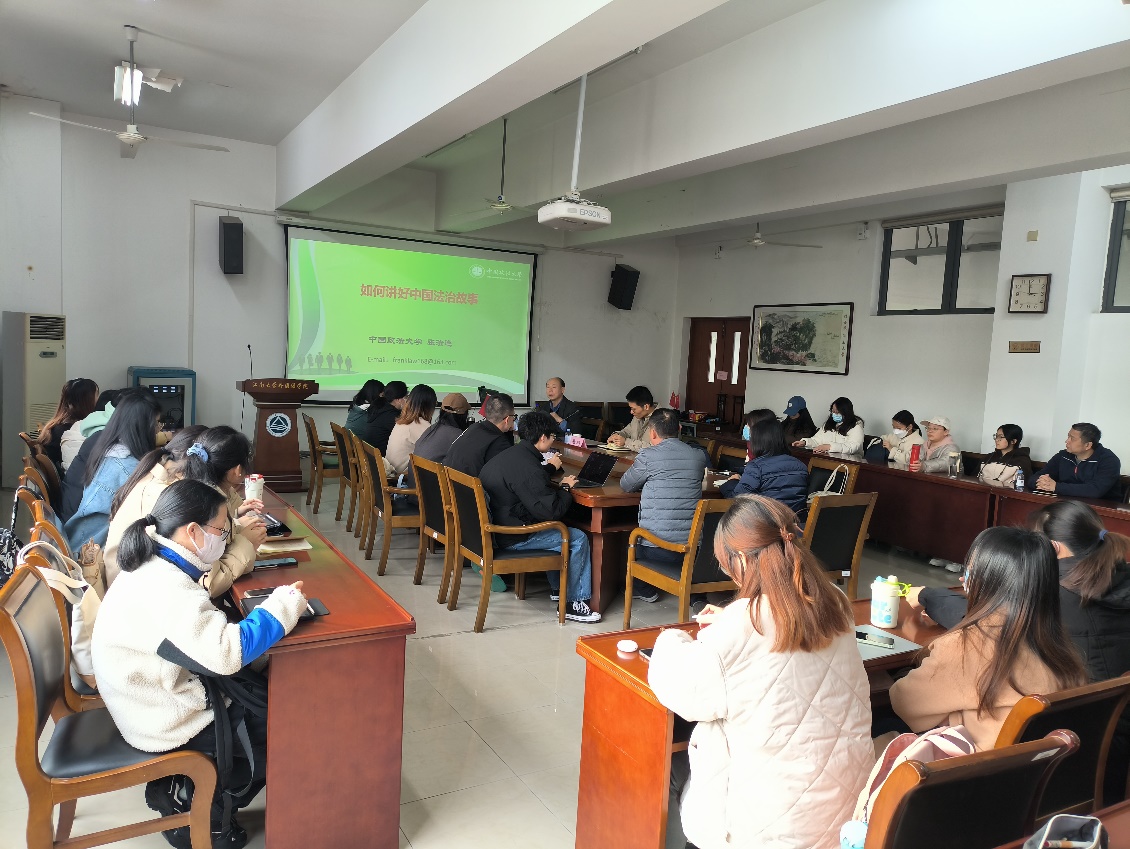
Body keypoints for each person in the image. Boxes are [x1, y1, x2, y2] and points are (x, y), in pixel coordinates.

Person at [92, 479, 308, 848]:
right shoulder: (165, 585)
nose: (225, 539)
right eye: (222, 530)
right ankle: (204, 810)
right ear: (193, 531)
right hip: (159, 716)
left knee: (263, 686)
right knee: (286, 724)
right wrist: (282, 605)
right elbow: (226, 653)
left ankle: (183, 790)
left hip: (148, 696)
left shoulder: (154, 563)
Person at [648, 495, 873, 849]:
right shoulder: (835, 600)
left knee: (671, 767)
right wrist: (730, 621)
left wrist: (670, 638)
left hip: (772, 828)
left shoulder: (744, 622)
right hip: (848, 811)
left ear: (741, 559)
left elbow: (683, 689)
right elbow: (782, 628)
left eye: (727, 564)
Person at [890, 526, 1087, 751]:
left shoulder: (967, 644)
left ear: (987, 581)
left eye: (970, 572)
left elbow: (904, 703)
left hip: (970, 768)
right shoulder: (1062, 649)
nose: (963, 579)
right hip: (1036, 768)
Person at [105, 426, 268, 596]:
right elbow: (206, 582)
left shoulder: (165, 478)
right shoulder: (177, 498)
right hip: (147, 594)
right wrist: (244, 542)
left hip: (129, 587)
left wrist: (234, 525)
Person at [479, 411, 601, 623]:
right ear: (543, 437)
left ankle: (558, 589)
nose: (553, 441)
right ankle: (573, 603)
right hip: (511, 535)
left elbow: (528, 480)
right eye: (553, 437)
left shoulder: (513, 455)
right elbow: (551, 511)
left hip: (495, 526)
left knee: (557, 527)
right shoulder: (528, 467)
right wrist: (565, 488)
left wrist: (549, 472)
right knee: (577, 538)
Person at [618, 408, 709, 603]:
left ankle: (644, 590)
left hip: (656, 549)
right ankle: (694, 595)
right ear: (680, 428)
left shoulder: (648, 456)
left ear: (652, 432)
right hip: (694, 548)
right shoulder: (698, 456)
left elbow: (626, 485)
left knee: (630, 540)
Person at [64, 389, 161, 551]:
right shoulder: (126, 467)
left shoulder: (108, 448)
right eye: (156, 424)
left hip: (81, 538)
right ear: (143, 427)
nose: (158, 430)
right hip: (93, 551)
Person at [720, 418, 808, 513]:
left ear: (757, 442)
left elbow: (736, 499)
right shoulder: (801, 466)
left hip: (766, 521)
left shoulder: (756, 467)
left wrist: (732, 481)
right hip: (795, 520)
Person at [403, 392, 470, 497]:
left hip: (414, 494)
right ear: (463, 416)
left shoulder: (431, 429)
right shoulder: (457, 435)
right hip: (432, 500)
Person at [1035, 422, 1122, 500]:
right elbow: (1035, 478)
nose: (1066, 441)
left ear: (1087, 445)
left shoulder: (1109, 460)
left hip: (1102, 508)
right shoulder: (1063, 455)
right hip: (1067, 503)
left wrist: (1056, 487)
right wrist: (1043, 483)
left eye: (1072, 438)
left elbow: (1095, 491)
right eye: (1068, 436)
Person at [35, 377, 99, 472]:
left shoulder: (57, 425)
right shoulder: (70, 432)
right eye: (96, 395)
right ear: (86, 401)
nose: (98, 400)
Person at [445, 392, 515, 476]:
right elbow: (507, 475)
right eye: (514, 417)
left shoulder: (473, 428)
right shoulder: (499, 443)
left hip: (451, 481)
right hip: (472, 484)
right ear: (507, 419)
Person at [60, 388, 122, 472]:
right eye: (96, 395)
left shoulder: (78, 424)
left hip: (70, 475)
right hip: (86, 478)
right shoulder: (106, 431)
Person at [386, 384, 437, 477]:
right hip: (402, 478)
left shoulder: (402, 421)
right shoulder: (422, 425)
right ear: (430, 406)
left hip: (392, 473)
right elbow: (436, 453)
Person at [344, 379, 398, 456]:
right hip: (359, 451)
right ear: (378, 394)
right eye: (383, 395)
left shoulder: (357, 405)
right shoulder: (370, 410)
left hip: (351, 446)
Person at [792, 396, 864, 454]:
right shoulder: (828, 424)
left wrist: (830, 447)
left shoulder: (856, 426)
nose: (834, 414)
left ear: (846, 412)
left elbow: (853, 447)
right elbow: (817, 440)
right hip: (828, 459)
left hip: (851, 462)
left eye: (837, 412)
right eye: (833, 411)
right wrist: (805, 442)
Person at [607, 386, 656, 451]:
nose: (631, 412)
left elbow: (654, 449)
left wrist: (626, 442)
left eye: (634, 409)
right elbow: (627, 431)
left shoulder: (662, 420)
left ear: (646, 406)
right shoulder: (638, 416)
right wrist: (617, 436)